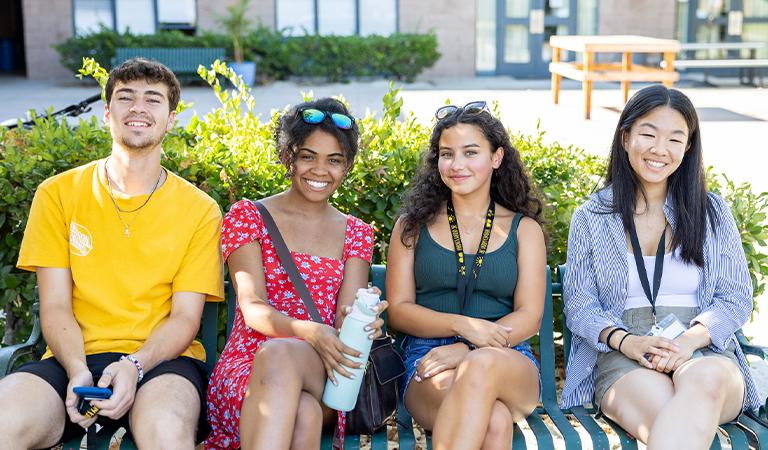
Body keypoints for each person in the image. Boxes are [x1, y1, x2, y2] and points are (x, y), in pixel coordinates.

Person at [0, 58, 224, 449]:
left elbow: (186, 317)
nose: (138, 107)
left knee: (167, 434)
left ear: (170, 119)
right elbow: (54, 306)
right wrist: (77, 370)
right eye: (126, 97)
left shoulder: (200, 209)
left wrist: (133, 365)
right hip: (73, 359)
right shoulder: (57, 194)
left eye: (153, 99)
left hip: (162, 363)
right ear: (107, 113)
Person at [561, 84, 760, 449]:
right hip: (627, 353)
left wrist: (688, 342)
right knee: (674, 417)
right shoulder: (592, 216)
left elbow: (734, 298)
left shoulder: (712, 212)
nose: (659, 149)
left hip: (704, 348)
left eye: (674, 138)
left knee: (704, 386)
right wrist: (627, 341)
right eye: (648, 134)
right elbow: (579, 305)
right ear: (625, 138)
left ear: (688, 146)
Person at [205, 97, 387, 450]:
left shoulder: (356, 233)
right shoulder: (248, 217)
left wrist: (364, 323)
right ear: (288, 157)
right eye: (308, 156)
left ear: (347, 166)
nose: (320, 171)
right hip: (248, 365)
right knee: (303, 412)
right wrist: (307, 331)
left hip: (322, 368)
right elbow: (253, 308)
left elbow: (345, 316)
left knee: (286, 361)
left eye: (334, 160)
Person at [386, 101, 546, 450]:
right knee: (494, 421)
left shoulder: (524, 230)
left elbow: (529, 316)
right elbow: (398, 311)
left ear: (496, 157)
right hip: (428, 358)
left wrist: (468, 348)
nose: (456, 165)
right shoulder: (411, 228)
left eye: (470, 152)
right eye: (446, 154)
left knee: (482, 364)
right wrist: (462, 326)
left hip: (507, 355)